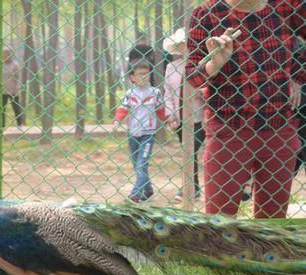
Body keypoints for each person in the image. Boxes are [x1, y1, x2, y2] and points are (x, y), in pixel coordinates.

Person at [186, 0, 304, 219]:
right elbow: (193, 75)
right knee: (219, 224)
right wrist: (216, 63)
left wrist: (297, 75)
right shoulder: (207, 14)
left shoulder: (286, 6)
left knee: (271, 227)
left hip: (278, 128)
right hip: (228, 130)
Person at [112, 61, 167, 203]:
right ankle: (148, 190)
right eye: (140, 74)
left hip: (148, 133)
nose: (144, 77)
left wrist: (168, 121)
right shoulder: (130, 93)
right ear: (132, 77)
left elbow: (161, 110)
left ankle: (135, 195)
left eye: (147, 74)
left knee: (142, 164)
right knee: (137, 164)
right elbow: (123, 109)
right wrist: (117, 121)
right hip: (133, 133)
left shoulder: (155, 92)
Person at [163, 28, 206, 202]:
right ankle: (193, 188)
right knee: (188, 153)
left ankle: (186, 188)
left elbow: (209, 89)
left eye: (187, 44)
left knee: (191, 151)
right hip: (180, 119)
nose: (185, 48)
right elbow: (167, 93)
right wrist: (170, 115)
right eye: (181, 45)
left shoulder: (201, 65)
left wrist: (201, 93)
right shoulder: (171, 67)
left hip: (199, 118)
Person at [2, 48, 24, 128]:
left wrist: (18, 88)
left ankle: (20, 124)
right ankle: (2, 125)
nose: (5, 56)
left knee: (16, 107)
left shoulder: (15, 65)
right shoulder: (1, 64)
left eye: (7, 54)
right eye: (4, 54)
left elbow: (18, 77)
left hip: (13, 90)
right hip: (3, 90)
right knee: (2, 108)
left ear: (10, 54)